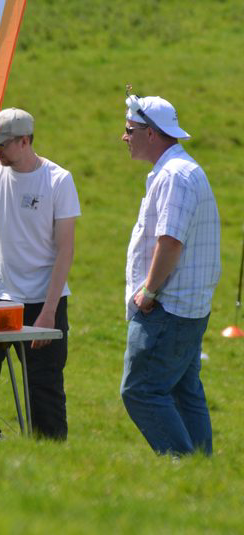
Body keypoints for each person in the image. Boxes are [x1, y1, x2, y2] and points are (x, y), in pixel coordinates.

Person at [0, 108, 80, 440]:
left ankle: (50, 457)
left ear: (25, 141)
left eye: (3, 145)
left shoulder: (58, 181)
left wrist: (49, 312)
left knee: (44, 387)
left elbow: (65, 250)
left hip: (42, 301)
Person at [121, 95, 220, 456]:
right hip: (188, 307)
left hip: (167, 309)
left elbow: (171, 242)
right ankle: (200, 474)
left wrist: (149, 291)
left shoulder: (174, 176)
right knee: (183, 388)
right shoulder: (184, 169)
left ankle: (181, 464)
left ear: (152, 133)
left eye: (130, 130)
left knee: (140, 391)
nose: (124, 137)